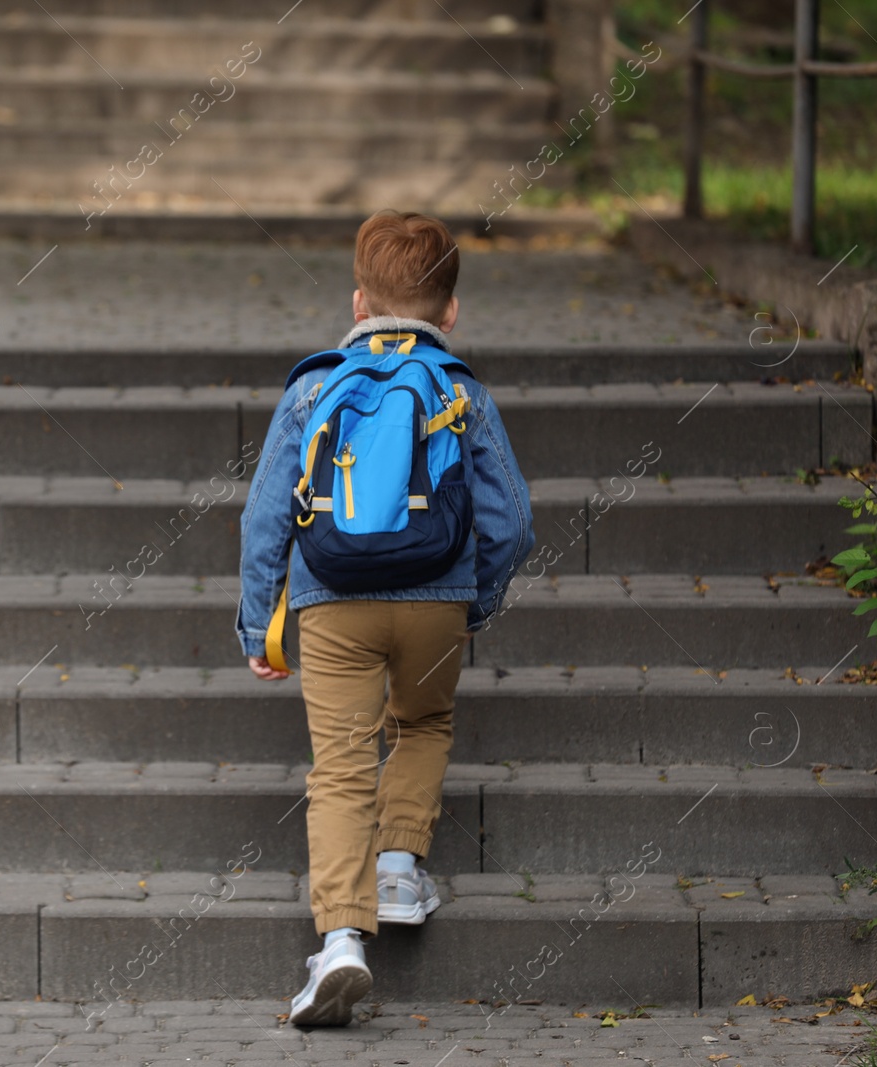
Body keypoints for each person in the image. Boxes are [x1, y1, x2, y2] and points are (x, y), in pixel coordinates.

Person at [236, 209, 534, 1027]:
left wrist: (258, 620)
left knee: (339, 764)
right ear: (451, 312)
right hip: (436, 597)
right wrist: (476, 598)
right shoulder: (462, 389)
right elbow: (512, 519)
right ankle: (400, 864)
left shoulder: (311, 386)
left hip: (333, 599)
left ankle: (339, 942)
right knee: (425, 721)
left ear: (359, 302)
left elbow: (265, 517)